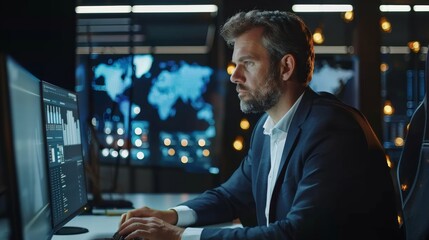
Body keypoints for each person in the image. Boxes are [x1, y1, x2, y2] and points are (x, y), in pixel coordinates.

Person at [117, 10, 402, 240]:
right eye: (235, 64)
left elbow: (297, 233)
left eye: (248, 63)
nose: (235, 76)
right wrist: (171, 215)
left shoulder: (333, 129)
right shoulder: (267, 127)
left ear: (286, 67)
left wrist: (179, 236)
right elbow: (230, 196)